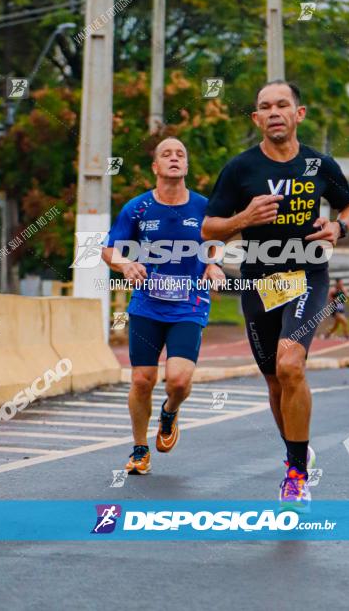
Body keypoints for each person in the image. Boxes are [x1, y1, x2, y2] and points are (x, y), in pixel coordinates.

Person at [202, 80, 349, 509]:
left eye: (282, 105)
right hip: (260, 281)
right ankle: (296, 449)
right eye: (265, 107)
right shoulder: (239, 169)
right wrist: (244, 216)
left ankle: (295, 474)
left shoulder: (320, 164)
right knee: (275, 380)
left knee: (291, 362)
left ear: (298, 114)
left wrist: (339, 228)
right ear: (256, 119)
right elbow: (209, 227)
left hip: (308, 274)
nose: (274, 112)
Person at [102, 137, 225, 475]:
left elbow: (217, 242)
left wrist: (213, 264)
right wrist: (125, 265)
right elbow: (109, 249)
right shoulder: (137, 209)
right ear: (155, 167)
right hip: (146, 307)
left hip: (189, 305)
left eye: (180, 154)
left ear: (186, 166)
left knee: (179, 382)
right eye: (166, 154)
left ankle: (170, 412)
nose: (174, 158)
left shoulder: (203, 207)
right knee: (142, 379)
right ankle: (140, 449)